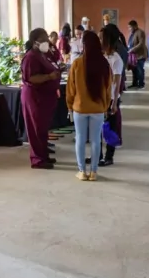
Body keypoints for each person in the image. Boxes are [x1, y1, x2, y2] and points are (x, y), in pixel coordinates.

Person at [66, 31, 112, 182]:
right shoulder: (104, 64)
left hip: (80, 108)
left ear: (84, 45)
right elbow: (108, 89)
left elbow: (71, 88)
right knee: (95, 140)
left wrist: (69, 106)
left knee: (80, 138)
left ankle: (82, 171)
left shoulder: (77, 64)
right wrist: (105, 106)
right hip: (98, 109)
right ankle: (94, 172)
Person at [21, 28, 61, 169]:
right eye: (43, 40)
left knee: (43, 129)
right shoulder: (30, 57)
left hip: (45, 98)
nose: (46, 42)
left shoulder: (43, 55)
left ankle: (44, 156)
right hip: (34, 98)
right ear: (34, 42)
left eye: (47, 39)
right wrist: (49, 77)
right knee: (36, 129)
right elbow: (31, 78)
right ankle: (37, 159)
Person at [101, 25, 125, 167]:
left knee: (110, 128)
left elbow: (116, 83)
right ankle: (97, 155)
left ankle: (109, 156)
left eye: (102, 38)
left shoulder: (116, 59)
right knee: (98, 128)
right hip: (101, 97)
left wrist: (114, 103)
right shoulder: (103, 56)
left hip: (110, 99)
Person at [127, 20, 148, 89]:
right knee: (134, 70)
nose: (129, 29)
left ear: (135, 26)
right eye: (129, 27)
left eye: (130, 27)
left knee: (140, 70)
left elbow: (141, 43)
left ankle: (141, 84)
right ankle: (135, 83)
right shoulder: (132, 33)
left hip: (140, 55)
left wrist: (132, 49)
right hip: (134, 55)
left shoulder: (140, 32)